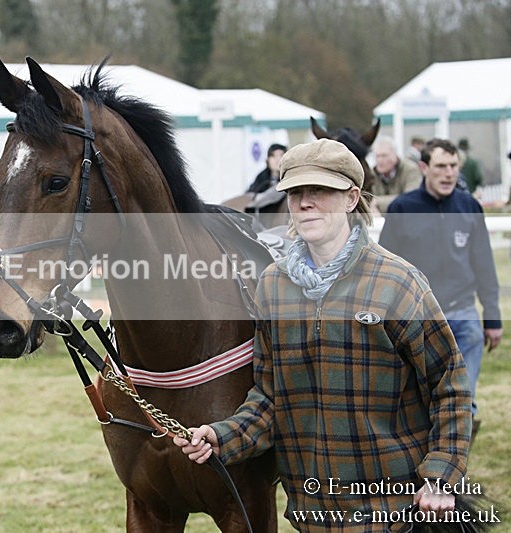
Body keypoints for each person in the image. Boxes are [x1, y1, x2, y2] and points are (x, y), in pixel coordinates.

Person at [174, 139, 472, 531]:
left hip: (394, 510)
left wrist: (441, 475)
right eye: (296, 192)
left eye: (319, 191)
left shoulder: (398, 283)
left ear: (351, 198)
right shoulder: (272, 286)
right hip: (314, 511)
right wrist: (222, 437)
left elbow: (449, 384)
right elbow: (269, 396)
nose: (304, 203)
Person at [379, 138, 502, 436]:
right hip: (418, 321)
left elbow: (484, 263)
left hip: (464, 319)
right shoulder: (403, 208)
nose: (449, 173)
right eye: (440, 166)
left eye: (453, 166)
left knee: (463, 404)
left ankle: (453, 479)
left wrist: (493, 317)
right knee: (423, 406)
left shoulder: (469, 205)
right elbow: (384, 268)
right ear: (423, 167)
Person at [370, 136, 422, 212]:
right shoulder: (371, 174)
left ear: (395, 155)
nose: (380, 160)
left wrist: (377, 202)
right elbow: (365, 202)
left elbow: (411, 199)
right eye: (377, 156)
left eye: (384, 156)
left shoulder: (411, 170)